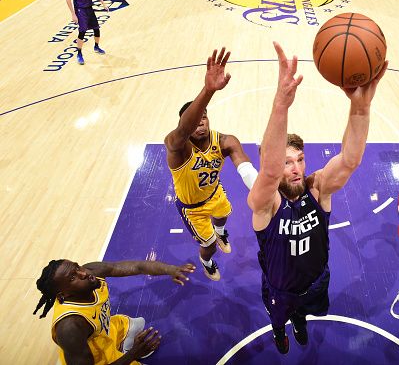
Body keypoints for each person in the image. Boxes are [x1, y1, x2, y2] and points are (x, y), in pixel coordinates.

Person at [247, 42, 388, 354]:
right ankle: (280, 332)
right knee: (278, 318)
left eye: (299, 159)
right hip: (280, 288)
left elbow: (349, 161)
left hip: (316, 282)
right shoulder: (266, 205)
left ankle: (299, 320)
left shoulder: (317, 188)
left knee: (304, 314)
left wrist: (360, 109)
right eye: (287, 162)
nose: (296, 168)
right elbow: (269, 174)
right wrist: (280, 106)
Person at [164, 47, 258, 282]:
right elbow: (182, 131)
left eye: (203, 117)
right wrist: (208, 90)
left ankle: (220, 232)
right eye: (194, 120)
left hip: (214, 193)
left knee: (223, 217)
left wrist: (261, 190)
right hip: (192, 207)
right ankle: (206, 262)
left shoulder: (225, 141)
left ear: (208, 118)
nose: (199, 123)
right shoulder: (178, 148)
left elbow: (245, 168)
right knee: (208, 246)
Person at [34, 258, 196, 365]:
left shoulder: (91, 272)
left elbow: (138, 266)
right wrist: (133, 353)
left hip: (107, 330)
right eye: (72, 278)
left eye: (77, 267)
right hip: (97, 358)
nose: (83, 273)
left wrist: (171, 269)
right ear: (64, 295)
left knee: (134, 324)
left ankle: (121, 344)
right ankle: (123, 352)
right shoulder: (70, 328)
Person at [66, 0, 110, 65]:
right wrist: (73, 14)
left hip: (89, 8)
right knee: (82, 32)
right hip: (80, 10)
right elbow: (68, 0)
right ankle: (79, 53)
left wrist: (103, 3)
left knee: (96, 29)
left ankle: (96, 46)